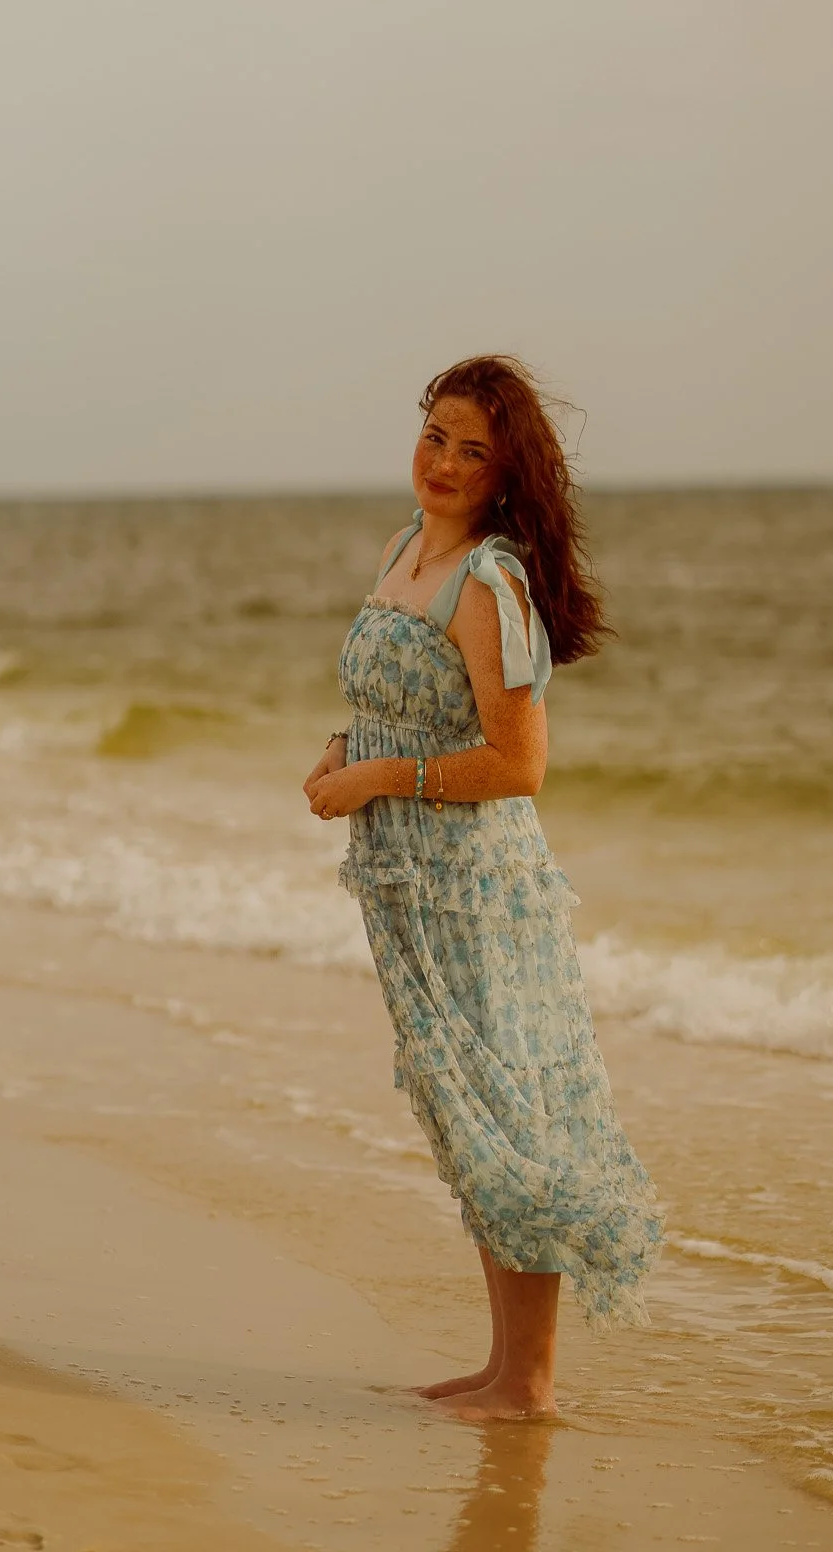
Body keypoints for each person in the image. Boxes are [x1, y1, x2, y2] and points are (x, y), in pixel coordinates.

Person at [302, 354, 663, 1421]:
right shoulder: (405, 548)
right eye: (435, 436)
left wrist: (381, 779)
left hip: (475, 891)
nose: (445, 463)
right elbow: (401, 703)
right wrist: (342, 750)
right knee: (467, 1117)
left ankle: (530, 1384)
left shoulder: (491, 584)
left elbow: (517, 763)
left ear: (507, 475)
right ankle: (504, 1365)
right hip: (407, 889)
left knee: (508, 1117)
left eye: (473, 451)